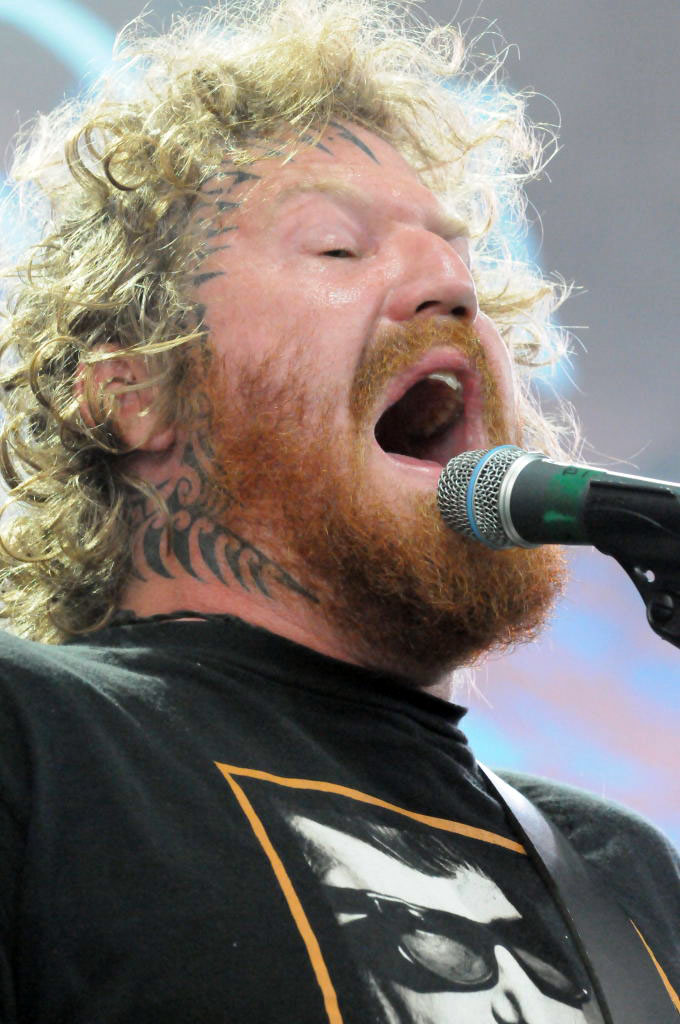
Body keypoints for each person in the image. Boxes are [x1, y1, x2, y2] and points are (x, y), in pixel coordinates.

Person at [0, 1, 677, 1021]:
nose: (448, 285)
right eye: (336, 250)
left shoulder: (624, 870)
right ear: (133, 392)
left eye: (462, 261)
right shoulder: (36, 745)